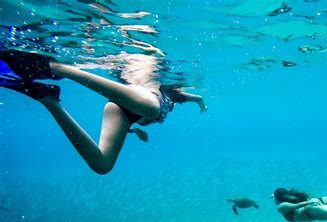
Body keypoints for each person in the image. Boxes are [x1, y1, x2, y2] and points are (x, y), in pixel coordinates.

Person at [0, 49, 207, 174]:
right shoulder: (167, 93)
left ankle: (49, 100)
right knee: (153, 109)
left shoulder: (170, 99)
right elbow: (197, 96)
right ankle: (57, 68)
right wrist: (201, 104)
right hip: (140, 97)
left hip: (122, 112)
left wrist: (134, 131)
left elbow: (195, 98)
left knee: (102, 166)